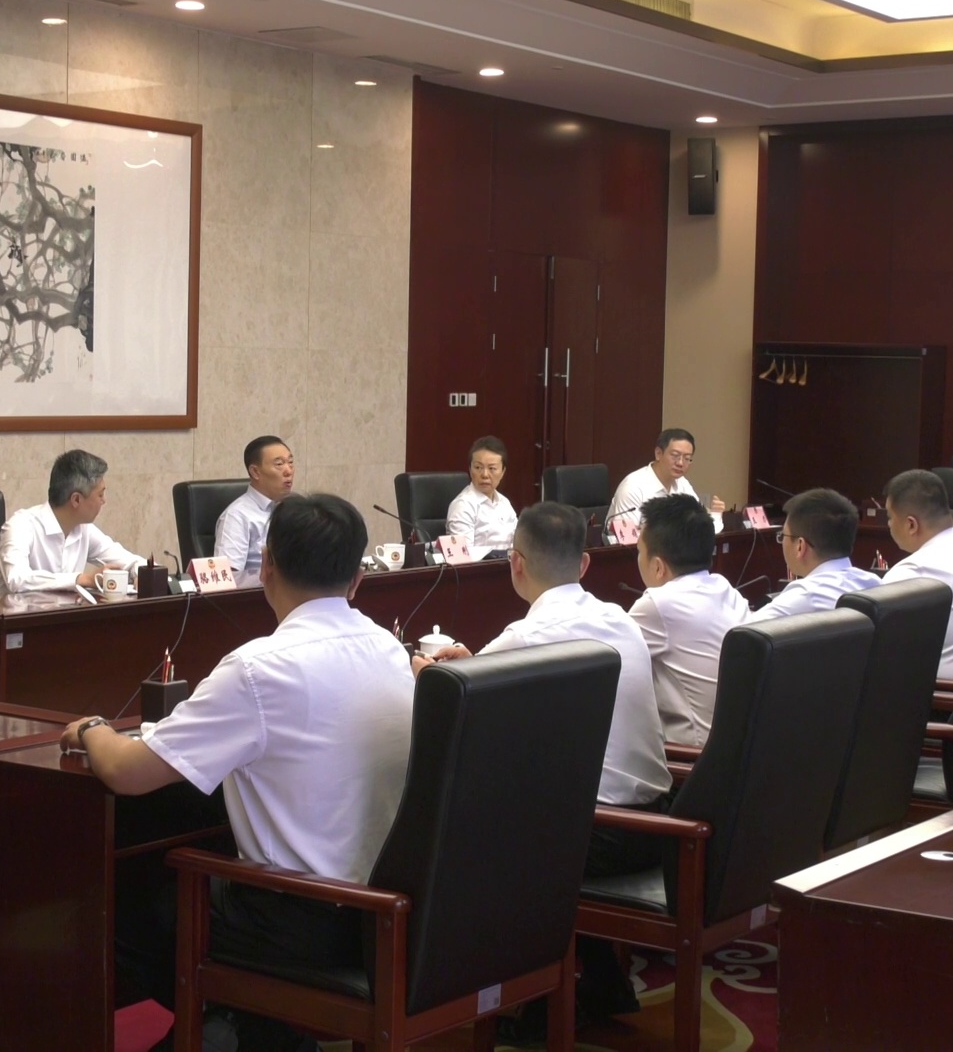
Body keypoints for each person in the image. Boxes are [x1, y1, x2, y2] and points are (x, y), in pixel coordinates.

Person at [66, 494, 414, 1052]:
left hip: (300, 922)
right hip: (387, 917)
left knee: (120, 910)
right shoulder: (391, 649)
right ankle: (252, 1030)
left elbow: (127, 773)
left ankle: (238, 1024)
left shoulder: (258, 668)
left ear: (267, 566)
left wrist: (92, 729)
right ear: (357, 578)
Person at [413, 501, 668, 1023]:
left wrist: (425, 677)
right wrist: (476, 664)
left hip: (598, 835)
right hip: (657, 821)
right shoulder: (620, 620)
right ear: (585, 564)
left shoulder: (527, 637)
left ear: (516, 563)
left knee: (467, 828)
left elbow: (455, 704)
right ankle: (603, 984)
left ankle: (517, 1000)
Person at [623, 494, 750, 747]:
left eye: (639, 551)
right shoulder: (726, 589)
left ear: (658, 567)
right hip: (744, 746)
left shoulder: (659, 604)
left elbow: (607, 658)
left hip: (697, 758)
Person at [881, 469, 953, 683]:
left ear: (911, 524)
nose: (889, 525)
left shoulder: (911, 572)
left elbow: (876, 646)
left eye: (890, 517)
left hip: (940, 694)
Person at [0, 449, 144, 598]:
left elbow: (133, 562)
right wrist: (82, 579)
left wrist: (141, 575)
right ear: (76, 500)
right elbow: (17, 579)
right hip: (8, 616)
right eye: (100, 495)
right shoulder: (20, 525)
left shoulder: (84, 529)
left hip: (61, 615)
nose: (104, 501)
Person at [747, 487, 880, 621]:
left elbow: (742, 631)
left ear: (800, 546)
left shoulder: (806, 595)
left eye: (783, 535)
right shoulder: (874, 583)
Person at [606, 428, 728, 531]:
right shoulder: (633, 487)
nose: (680, 463)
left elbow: (702, 530)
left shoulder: (682, 484)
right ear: (658, 454)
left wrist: (715, 514)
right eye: (675, 455)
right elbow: (626, 539)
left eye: (687, 458)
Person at [213, 436, 296, 587]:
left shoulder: (294, 509)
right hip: (259, 597)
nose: (288, 471)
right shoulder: (237, 516)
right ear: (255, 472)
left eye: (290, 462)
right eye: (279, 464)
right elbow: (227, 579)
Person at [445, 436, 518, 555]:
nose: (484, 475)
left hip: (508, 564)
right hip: (482, 567)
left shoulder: (505, 503)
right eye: (478, 467)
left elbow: (518, 545)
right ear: (470, 469)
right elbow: (463, 556)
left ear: (503, 472)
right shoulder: (463, 506)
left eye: (492, 468)